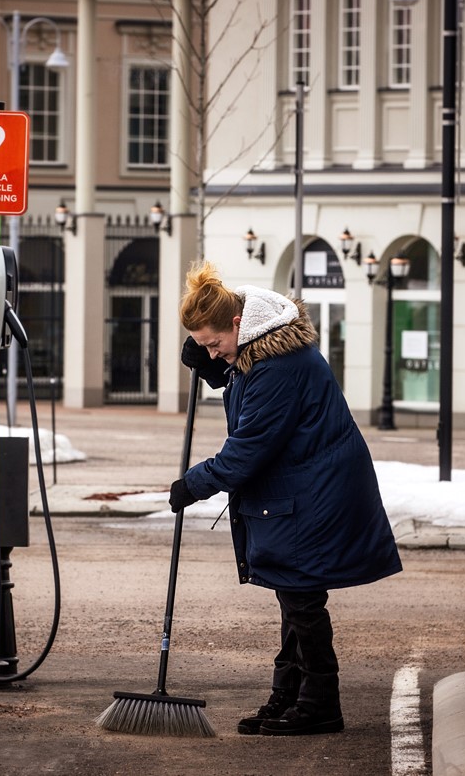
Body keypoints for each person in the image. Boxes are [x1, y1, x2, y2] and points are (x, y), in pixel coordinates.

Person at [170, 261, 401, 737]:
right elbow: (251, 395)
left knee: (301, 596)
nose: (213, 352)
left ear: (238, 322)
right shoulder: (260, 353)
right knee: (292, 592)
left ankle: (319, 704)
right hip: (299, 485)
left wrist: (193, 484)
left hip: (316, 490)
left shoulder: (280, 365)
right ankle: (290, 695)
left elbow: (250, 446)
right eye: (206, 348)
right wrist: (219, 372)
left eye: (214, 344)